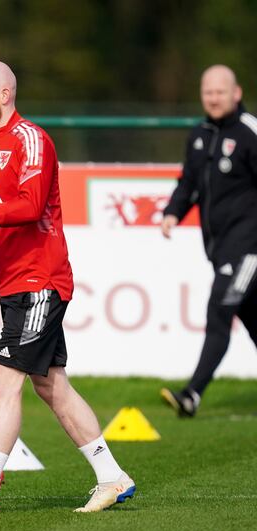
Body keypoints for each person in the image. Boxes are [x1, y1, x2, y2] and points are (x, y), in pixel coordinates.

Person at [0, 61, 135, 515]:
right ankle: (112, 477)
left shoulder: (31, 140)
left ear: (5, 94)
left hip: (42, 279)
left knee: (5, 380)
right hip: (14, 282)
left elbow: (29, 206)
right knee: (51, 385)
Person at [160, 65, 257, 417]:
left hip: (248, 249)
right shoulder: (200, 134)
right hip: (218, 248)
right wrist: (173, 211)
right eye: (208, 93)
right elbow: (189, 182)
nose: (214, 99)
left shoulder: (250, 133)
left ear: (237, 92)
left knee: (219, 311)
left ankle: (192, 394)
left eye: (220, 92)